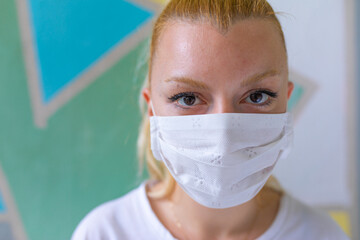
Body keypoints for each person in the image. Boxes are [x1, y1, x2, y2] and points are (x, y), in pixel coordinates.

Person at [72, 0, 349, 239]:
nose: (224, 135)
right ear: (152, 109)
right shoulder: (104, 233)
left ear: (285, 101)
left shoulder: (321, 235)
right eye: (188, 98)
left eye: (256, 96)